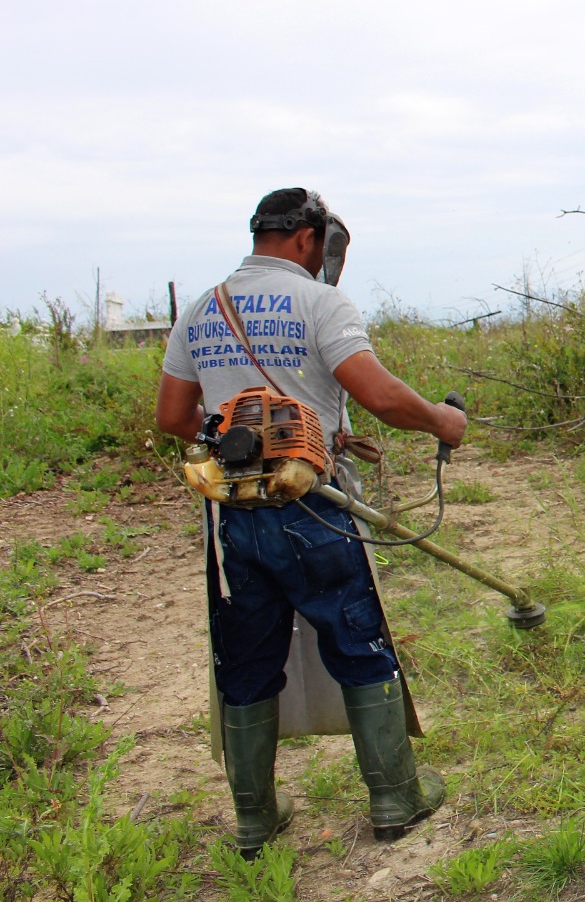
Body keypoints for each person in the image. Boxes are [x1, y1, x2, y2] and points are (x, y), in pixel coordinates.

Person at [156, 188, 467, 858]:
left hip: (233, 517)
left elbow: (175, 419)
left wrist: (233, 433)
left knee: (245, 657)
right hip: (313, 507)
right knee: (356, 639)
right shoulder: (321, 301)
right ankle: (393, 800)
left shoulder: (203, 307)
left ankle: (254, 818)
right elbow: (379, 395)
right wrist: (446, 420)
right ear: (308, 239)